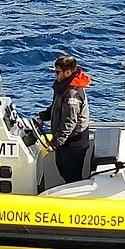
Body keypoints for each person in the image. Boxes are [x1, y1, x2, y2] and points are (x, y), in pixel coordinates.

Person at [37, 55, 91, 184]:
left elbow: (69, 122)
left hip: (74, 142)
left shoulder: (72, 94)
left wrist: (55, 143)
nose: (55, 75)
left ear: (67, 72)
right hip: (65, 141)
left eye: (57, 72)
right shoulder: (63, 87)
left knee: (72, 177)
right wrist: (43, 117)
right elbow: (56, 107)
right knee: (62, 170)